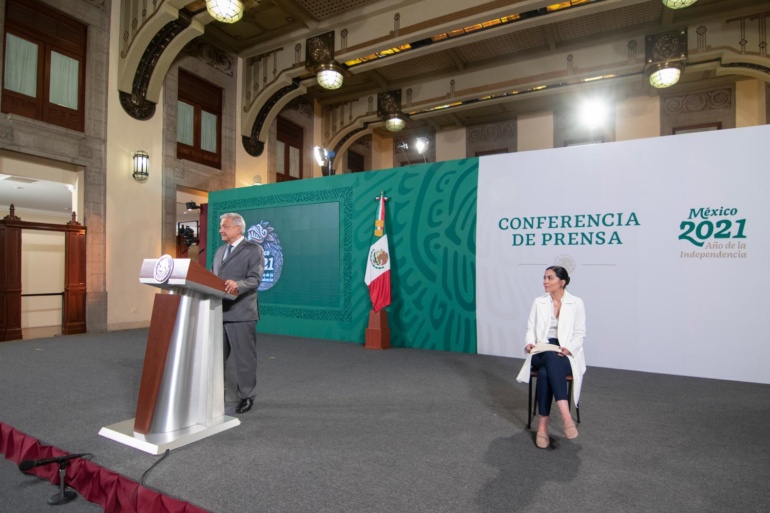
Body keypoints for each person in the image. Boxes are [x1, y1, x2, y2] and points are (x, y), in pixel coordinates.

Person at [516, 266, 586, 448]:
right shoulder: (539, 302)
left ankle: (542, 426)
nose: (545, 282)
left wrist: (568, 349)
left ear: (562, 282)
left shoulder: (576, 303)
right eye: (544, 278)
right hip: (541, 350)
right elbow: (530, 329)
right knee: (549, 354)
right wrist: (529, 343)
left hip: (565, 352)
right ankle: (566, 416)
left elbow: (580, 334)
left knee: (546, 372)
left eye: (550, 278)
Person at [212, 213, 265, 414]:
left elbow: (255, 279)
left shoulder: (254, 249)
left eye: (224, 226)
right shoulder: (219, 251)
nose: (220, 230)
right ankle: (216, 394)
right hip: (218, 312)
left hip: (242, 313)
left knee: (244, 360)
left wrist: (238, 284)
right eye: (220, 226)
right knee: (216, 359)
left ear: (238, 228)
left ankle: (246, 396)